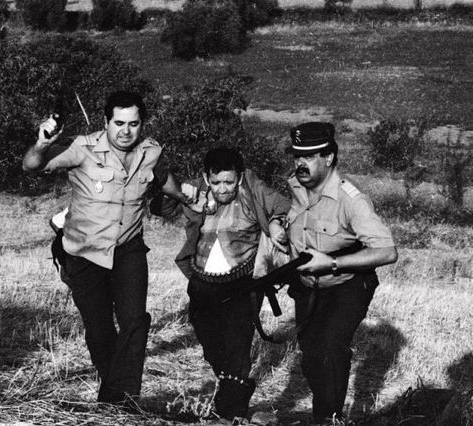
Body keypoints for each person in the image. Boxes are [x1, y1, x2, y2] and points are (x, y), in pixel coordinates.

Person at [23, 91, 185, 406]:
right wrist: (42, 144)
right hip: (83, 252)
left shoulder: (151, 152)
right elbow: (32, 165)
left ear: (142, 124)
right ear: (106, 122)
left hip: (128, 250)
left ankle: (121, 401)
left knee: (136, 321)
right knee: (100, 333)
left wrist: (187, 197)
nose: (126, 131)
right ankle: (115, 396)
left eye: (134, 124)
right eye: (119, 123)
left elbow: (164, 180)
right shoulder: (82, 148)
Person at [285, 122, 398, 424]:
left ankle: (329, 419)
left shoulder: (352, 200)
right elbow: (285, 216)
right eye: (297, 156)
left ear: (329, 158)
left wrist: (333, 264)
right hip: (308, 285)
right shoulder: (295, 186)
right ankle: (327, 411)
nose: (300, 164)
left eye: (309, 157)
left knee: (330, 347)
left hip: (347, 282)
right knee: (311, 356)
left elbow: (387, 251)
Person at [177, 147, 291, 423]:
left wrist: (277, 223)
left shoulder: (253, 191)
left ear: (239, 178)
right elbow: (162, 203)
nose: (223, 189)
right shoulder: (198, 192)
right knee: (210, 341)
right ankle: (235, 387)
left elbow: (286, 206)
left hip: (242, 281)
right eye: (216, 182)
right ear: (206, 177)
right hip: (202, 280)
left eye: (229, 182)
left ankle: (229, 409)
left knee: (237, 342)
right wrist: (181, 191)